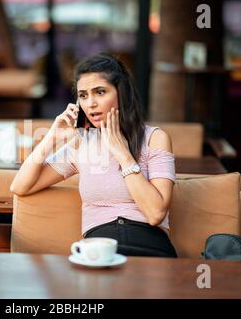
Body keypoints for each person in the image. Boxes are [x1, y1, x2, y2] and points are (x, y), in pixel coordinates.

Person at [10, 52, 177, 258]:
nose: (90, 104)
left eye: (100, 92)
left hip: (150, 248)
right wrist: (51, 138)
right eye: (83, 95)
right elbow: (20, 186)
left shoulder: (155, 138)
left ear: (121, 93)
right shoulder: (81, 143)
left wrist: (123, 153)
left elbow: (156, 213)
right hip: (99, 251)